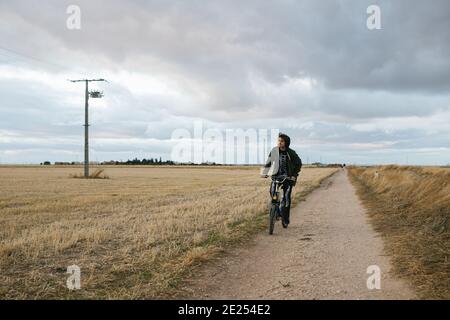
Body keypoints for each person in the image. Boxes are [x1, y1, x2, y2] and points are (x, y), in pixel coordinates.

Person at [261, 133, 302, 228]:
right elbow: (268, 163)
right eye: (278, 140)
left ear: (286, 143)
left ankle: (285, 219)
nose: (279, 142)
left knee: (286, 199)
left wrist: (294, 175)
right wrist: (265, 172)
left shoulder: (291, 153)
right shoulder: (274, 151)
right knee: (272, 193)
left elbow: (299, 164)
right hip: (276, 177)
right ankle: (277, 211)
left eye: (282, 141)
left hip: (288, 178)